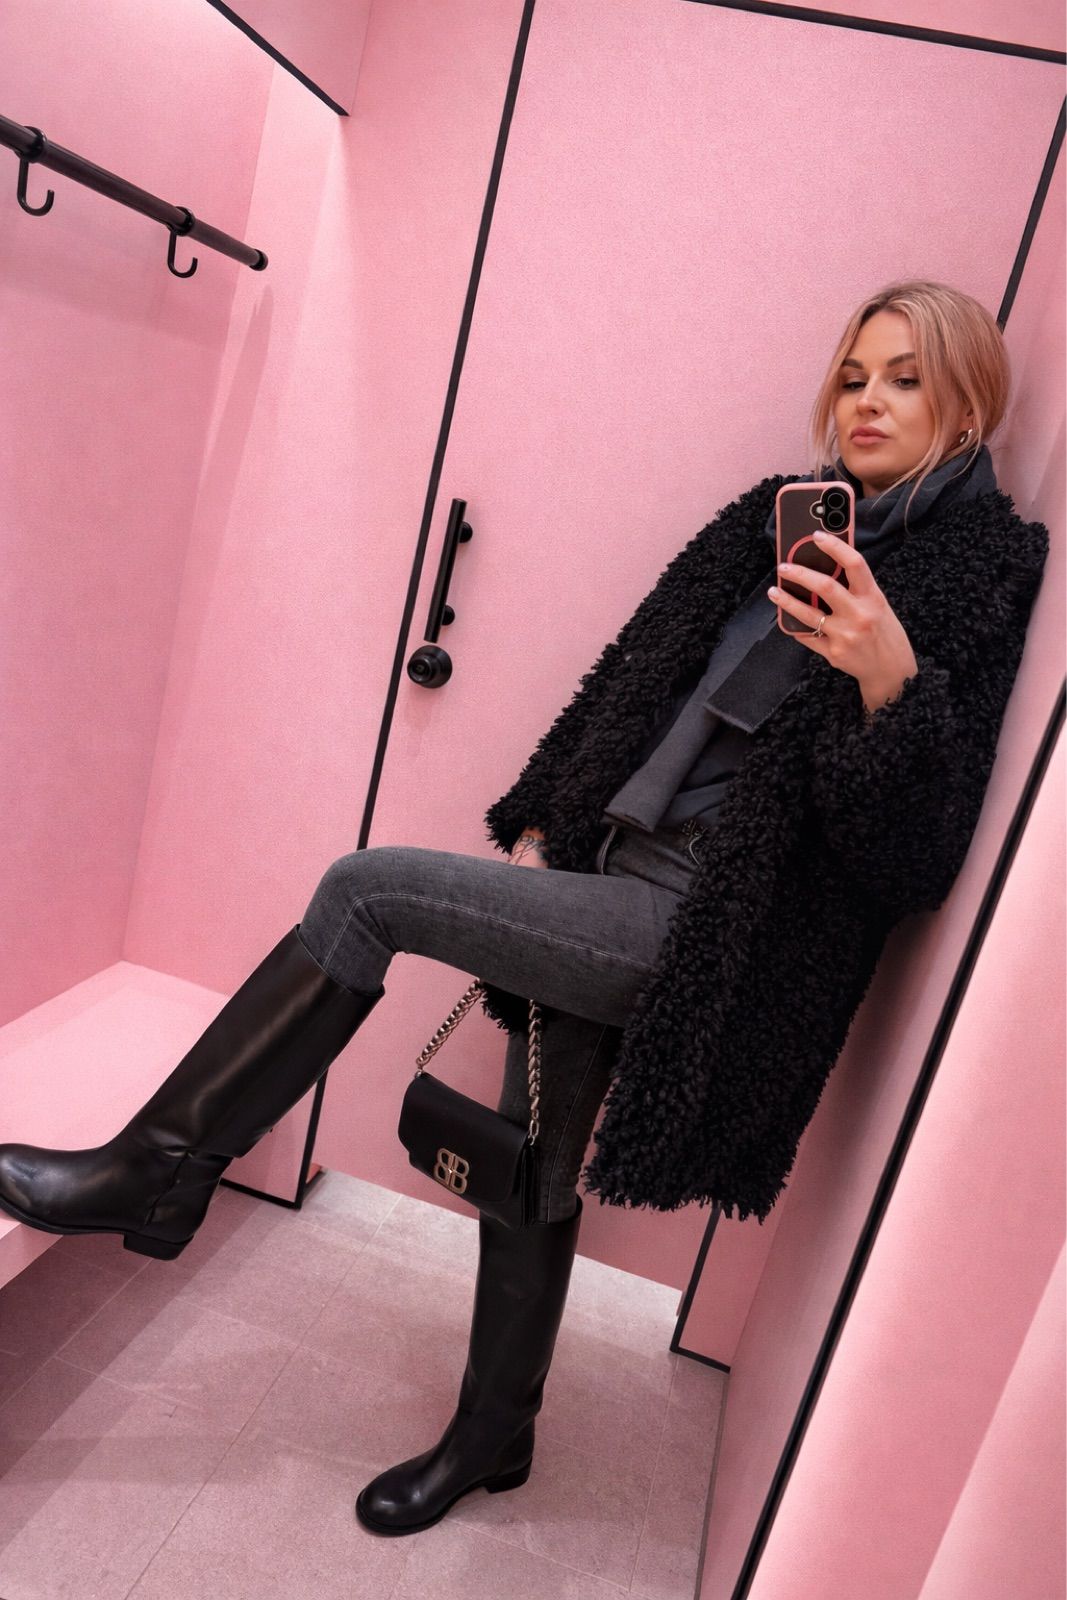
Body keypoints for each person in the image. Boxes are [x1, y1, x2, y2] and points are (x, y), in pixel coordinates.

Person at [0, 281, 1049, 1538]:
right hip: (611, 868)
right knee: (534, 1151)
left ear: (966, 403)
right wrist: (555, 814)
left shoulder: (978, 574)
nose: (867, 401)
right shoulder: (770, 520)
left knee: (365, 889)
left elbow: (912, 858)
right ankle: (496, 1430)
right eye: (854, 375)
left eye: (904, 379)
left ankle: (158, 1167)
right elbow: (636, 673)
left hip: (709, 933)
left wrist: (888, 680)